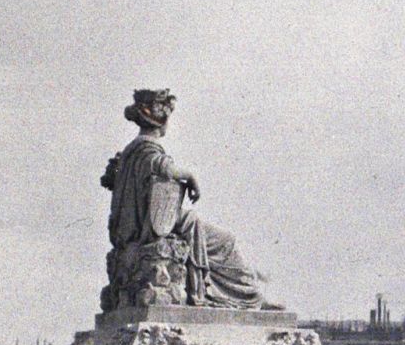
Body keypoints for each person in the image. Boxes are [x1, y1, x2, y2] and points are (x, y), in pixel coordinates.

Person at [101, 89, 276, 311]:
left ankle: (249, 292)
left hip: (147, 227)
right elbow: (163, 167)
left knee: (218, 239)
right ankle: (250, 298)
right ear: (161, 120)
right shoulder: (147, 149)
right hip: (164, 225)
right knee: (225, 241)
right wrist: (191, 176)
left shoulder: (130, 151)